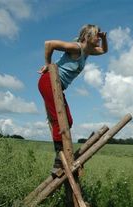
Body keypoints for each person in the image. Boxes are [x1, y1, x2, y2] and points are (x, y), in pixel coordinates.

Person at [38, 24, 108, 174]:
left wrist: (104, 39)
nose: (98, 37)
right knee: (60, 119)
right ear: (86, 37)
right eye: (96, 34)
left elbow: (104, 50)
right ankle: (59, 160)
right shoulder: (76, 47)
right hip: (49, 81)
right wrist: (48, 65)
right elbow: (49, 44)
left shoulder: (88, 52)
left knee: (68, 120)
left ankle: (62, 157)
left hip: (57, 86)